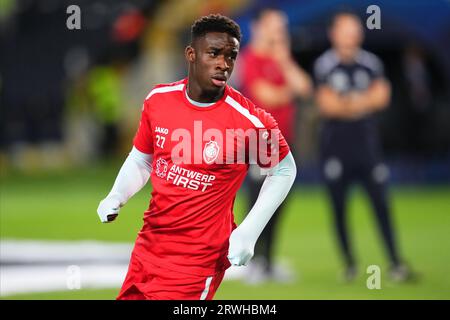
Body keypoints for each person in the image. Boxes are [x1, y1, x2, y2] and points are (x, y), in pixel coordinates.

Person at [97, 14, 297, 300]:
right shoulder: (158, 100)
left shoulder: (248, 120)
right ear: (191, 54)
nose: (223, 63)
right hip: (147, 249)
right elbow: (142, 158)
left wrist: (249, 231)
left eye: (231, 56)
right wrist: (116, 196)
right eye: (214, 53)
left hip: (197, 261)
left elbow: (284, 170)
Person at [314, 11, 412, 281]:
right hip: (336, 149)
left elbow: (382, 98)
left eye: (355, 30)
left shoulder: (371, 63)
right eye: (345, 30)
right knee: (338, 207)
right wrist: (362, 102)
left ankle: (395, 262)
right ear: (334, 33)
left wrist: (347, 103)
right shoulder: (325, 65)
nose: (351, 35)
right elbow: (327, 105)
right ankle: (350, 264)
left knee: (381, 204)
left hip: (367, 147)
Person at [237, 7, 312, 283]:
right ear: (260, 27)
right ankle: (251, 261)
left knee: (279, 201)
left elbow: (304, 87)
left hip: (283, 141)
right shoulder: (250, 58)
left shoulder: (281, 58)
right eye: (275, 26)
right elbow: (265, 96)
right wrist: (287, 90)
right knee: (258, 200)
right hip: (259, 141)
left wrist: (284, 62)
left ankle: (268, 261)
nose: (280, 31)